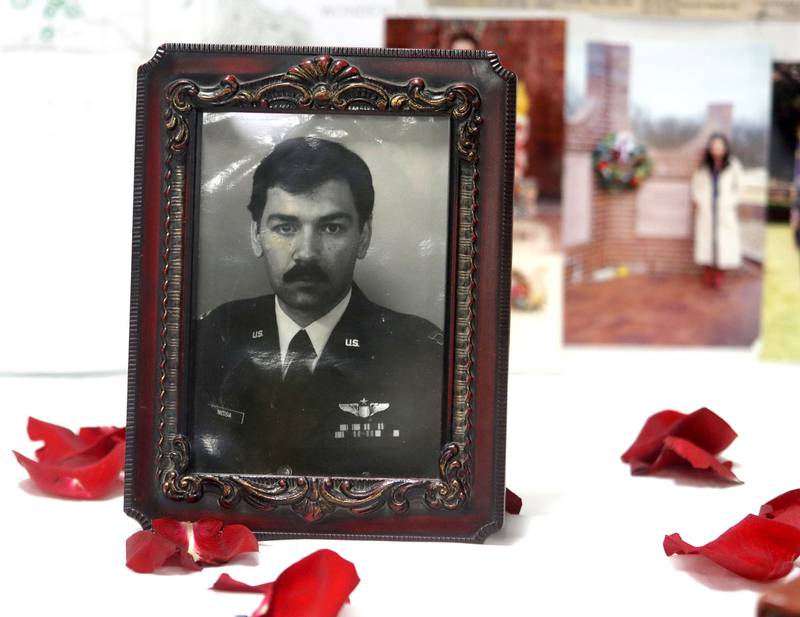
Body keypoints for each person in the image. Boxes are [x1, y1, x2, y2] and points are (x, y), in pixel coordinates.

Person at [190, 137, 445, 478]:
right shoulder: (211, 338)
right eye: (285, 227)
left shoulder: (419, 354)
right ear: (255, 236)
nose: (306, 253)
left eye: (331, 227)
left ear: (364, 237)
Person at [690, 133, 744, 289]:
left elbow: (740, 188)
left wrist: (729, 203)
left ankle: (720, 274)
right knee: (707, 242)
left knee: (723, 242)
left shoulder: (733, 165)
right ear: (710, 148)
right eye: (714, 146)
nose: (717, 149)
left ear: (725, 148)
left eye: (720, 146)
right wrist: (701, 201)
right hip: (707, 210)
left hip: (724, 210)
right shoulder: (704, 166)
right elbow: (695, 187)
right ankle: (708, 271)